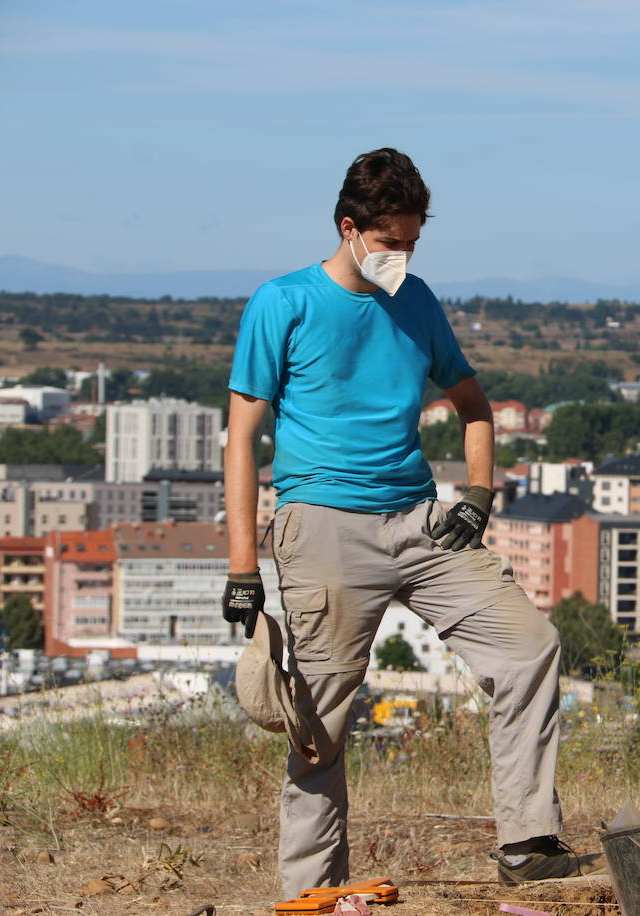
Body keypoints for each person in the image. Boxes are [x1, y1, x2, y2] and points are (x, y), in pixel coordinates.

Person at [220, 148, 599, 900]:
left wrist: (480, 494)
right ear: (350, 227)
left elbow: (474, 404)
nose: (402, 255)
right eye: (391, 241)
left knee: (529, 649)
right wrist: (241, 569)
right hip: (322, 525)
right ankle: (311, 891)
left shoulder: (418, 301)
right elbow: (240, 438)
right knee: (319, 722)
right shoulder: (283, 302)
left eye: (413, 242)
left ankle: (526, 841)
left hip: (422, 523)